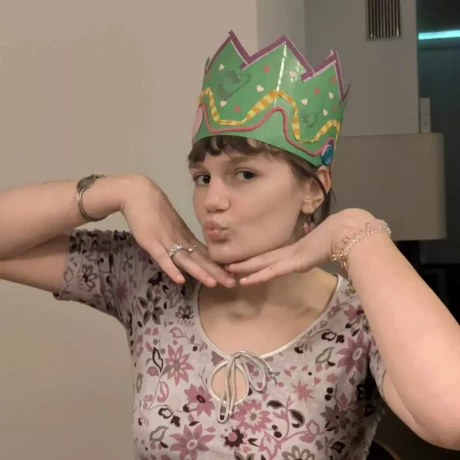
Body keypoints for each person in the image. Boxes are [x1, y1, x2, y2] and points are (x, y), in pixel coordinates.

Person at [1, 31, 460, 460]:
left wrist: (356, 233)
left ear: (312, 189)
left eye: (244, 174)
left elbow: (452, 417)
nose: (212, 201)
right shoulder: (154, 280)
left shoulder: (360, 321)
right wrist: (119, 190)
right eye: (202, 177)